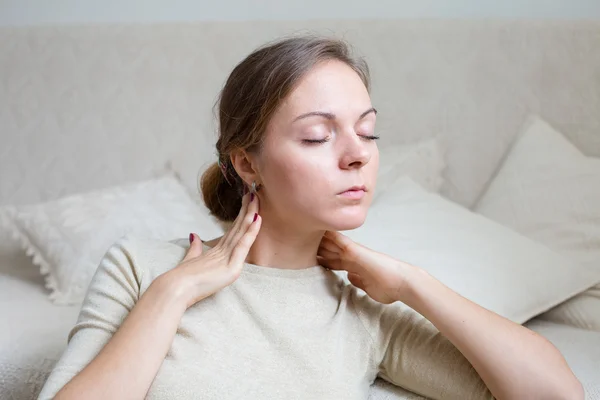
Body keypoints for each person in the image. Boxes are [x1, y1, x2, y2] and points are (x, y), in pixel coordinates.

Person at [38, 35, 583, 400]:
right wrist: (172, 294)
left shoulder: (360, 309)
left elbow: (557, 394)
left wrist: (415, 284)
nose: (359, 153)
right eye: (319, 135)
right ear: (247, 162)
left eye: (367, 131)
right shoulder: (143, 267)